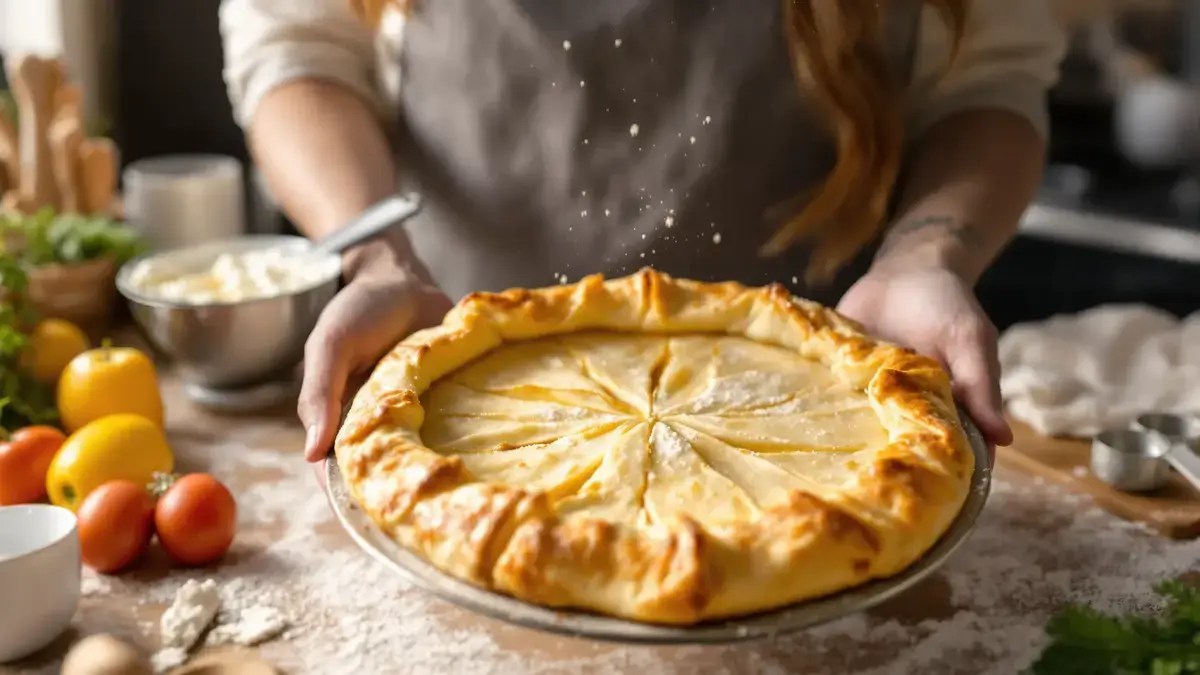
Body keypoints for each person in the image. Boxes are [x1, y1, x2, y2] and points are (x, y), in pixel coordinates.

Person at [219, 0, 1065, 468]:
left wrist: (925, 255)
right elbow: (299, 48)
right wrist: (374, 257)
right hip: (447, 349)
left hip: (826, 391)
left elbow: (987, 82)